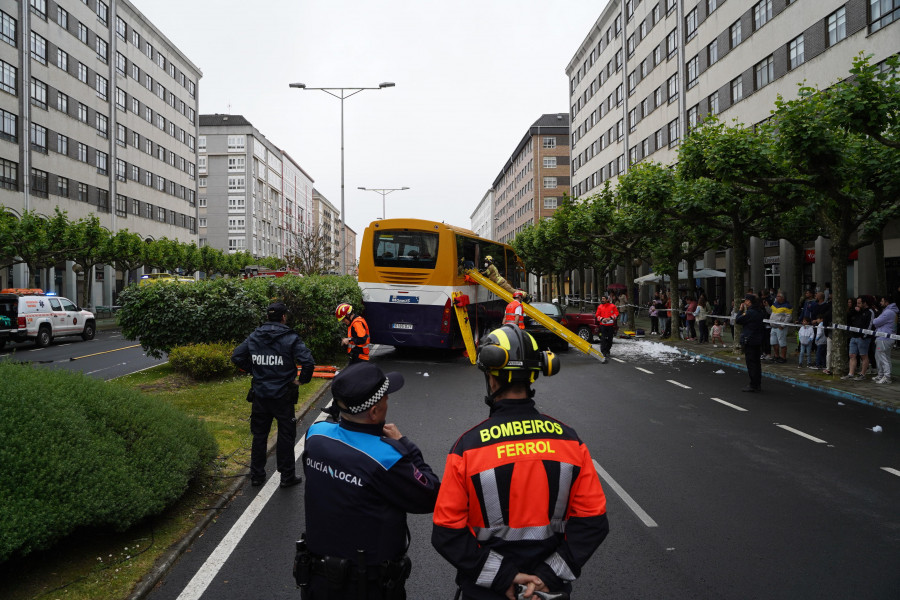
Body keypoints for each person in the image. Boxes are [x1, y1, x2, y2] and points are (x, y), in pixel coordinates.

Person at [431, 324, 609, 600]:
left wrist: (504, 577)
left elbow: (446, 532)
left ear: (492, 378)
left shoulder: (468, 448)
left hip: (486, 592)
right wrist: (547, 578)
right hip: (548, 592)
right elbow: (593, 523)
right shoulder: (570, 441)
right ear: (534, 375)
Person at [298, 362, 441, 599]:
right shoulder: (386, 458)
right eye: (386, 397)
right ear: (374, 412)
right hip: (366, 585)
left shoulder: (316, 435)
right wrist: (404, 444)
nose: (388, 402)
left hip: (317, 579)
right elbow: (431, 493)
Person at [231, 302, 315, 487]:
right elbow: (308, 362)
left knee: (259, 435)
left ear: (268, 317)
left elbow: (237, 356)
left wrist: (255, 370)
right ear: (283, 317)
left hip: (260, 394)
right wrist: (301, 381)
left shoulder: (255, 336)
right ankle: (287, 477)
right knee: (286, 435)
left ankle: (257, 476)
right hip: (283, 395)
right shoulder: (290, 337)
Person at [736, 293, 766, 393]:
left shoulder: (750, 312)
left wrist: (740, 310)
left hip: (750, 339)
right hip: (758, 339)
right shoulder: (760, 311)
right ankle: (757, 383)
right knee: (757, 363)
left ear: (749, 301)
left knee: (751, 363)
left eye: (746, 300)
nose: (745, 302)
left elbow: (738, 320)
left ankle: (753, 384)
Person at [842, 296, 875, 381]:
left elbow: (870, 325)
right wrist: (854, 311)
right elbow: (848, 317)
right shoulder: (856, 311)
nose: (858, 305)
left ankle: (863, 374)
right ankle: (851, 373)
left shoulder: (870, 312)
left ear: (865, 303)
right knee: (852, 355)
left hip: (863, 337)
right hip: (854, 336)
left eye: (859, 303)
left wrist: (864, 336)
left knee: (863, 355)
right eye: (857, 303)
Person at [872, 293, 898, 384]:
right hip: (884, 337)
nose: (880, 302)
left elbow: (876, 322)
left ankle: (886, 377)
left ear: (886, 302)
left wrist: (876, 320)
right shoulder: (891, 312)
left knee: (883, 357)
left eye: (882, 301)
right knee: (881, 357)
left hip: (884, 338)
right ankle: (881, 375)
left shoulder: (888, 312)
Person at [768, 292, 792, 363]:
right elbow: (770, 312)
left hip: (780, 327)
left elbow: (789, 317)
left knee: (782, 342)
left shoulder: (787, 306)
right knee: (773, 342)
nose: (776, 297)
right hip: (773, 327)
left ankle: (783, 357)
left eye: (778, 296)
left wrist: (783, 325)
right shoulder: (775, 304)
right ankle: (776, 356)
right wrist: (766, 306)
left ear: (782, 298)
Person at [595, 294, 618, 363]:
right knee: (603, 338)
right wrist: (602, 319)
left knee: (610, 339)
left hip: (610, 325)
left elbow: (616, 313)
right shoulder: (600, 307)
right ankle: (603, 351)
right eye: (602, 298)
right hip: (603, 325)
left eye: (604, 299)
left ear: (607, 299)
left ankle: (608, 350)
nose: (602, 300)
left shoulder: (612, 306)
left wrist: (610, 318)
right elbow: (597, 315)